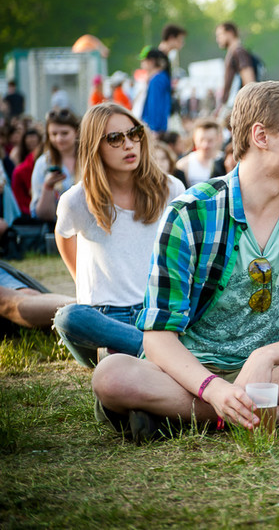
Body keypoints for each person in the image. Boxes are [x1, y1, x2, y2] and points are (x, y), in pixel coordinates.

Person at [91, 81, 279, 442]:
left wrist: (267, 356)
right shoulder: (191, 212)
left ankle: (174, 416)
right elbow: (158, 336)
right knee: (112, 375)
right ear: (261, 135)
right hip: (194, 370)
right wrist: (213, 389)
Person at [53, 104, 186, 367]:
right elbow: (63, 235)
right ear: (95, 146)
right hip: (104, 318)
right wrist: (80, 281)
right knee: (68, 317)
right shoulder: (76, 200)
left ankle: (138, 355)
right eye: (115, 138)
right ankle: (158, 354)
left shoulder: (170, 188)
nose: (129, 144)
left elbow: (182, 251)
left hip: (155, 310)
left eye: (134, 133)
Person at [31, 109, 80, 222]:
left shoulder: (90, 160)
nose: (59, 139)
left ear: (76, 132)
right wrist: (48, 187)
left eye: (64, 133)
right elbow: (42, 214)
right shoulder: (44, 163)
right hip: (56, 230)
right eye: (54, 134)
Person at [215, 21, 257, 114]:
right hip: (232, 106)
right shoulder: (233, 52)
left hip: (236, 106)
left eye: (219, 35)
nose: (218, 39)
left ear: (230, 33)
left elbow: (250, 83)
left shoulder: (238, 52)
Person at [176, 119, 222, 188]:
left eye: (210, 140)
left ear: (218, 138)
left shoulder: (225, 161)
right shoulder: (183, 165)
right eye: (201, 140)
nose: (205, 145)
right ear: (194, 138)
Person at [141, 49, 172, 133]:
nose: (142, 64)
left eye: (143, 61)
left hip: (155, 128)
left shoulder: (156, 80)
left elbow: (154, 105)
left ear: (151, 61)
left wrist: (153, 128)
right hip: (161, 126)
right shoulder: (163, 77)